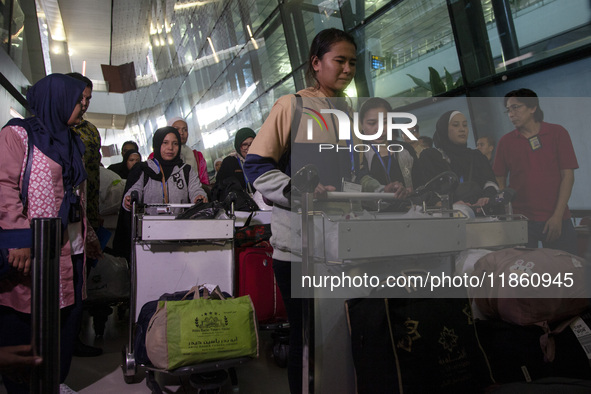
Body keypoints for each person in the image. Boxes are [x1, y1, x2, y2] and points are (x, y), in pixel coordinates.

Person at [243, 28, 363, 394]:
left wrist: (378, 188)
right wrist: (297, 191)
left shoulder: (346, 110)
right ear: (316, 63)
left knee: (341, 334)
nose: (347, 70)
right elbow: (256, 166)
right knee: (307, 338)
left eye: (352, 63)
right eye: (339, 61)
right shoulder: (290, 106)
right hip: (298, 248)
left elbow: (350, 175)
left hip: (340, 245)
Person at [0, 73, 101, 392]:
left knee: (63, 328)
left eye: (86, 100)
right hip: (31, 251)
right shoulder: (18, 134)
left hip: (71, 251)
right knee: (26, 325)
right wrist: (17, 240)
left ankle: (52, 384)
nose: (82, 106)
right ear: (55, 99)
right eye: (76, 99)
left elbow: (76, 192)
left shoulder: (72, 140)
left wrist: (90, 235)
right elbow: (2, 185)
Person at [493, 88, 578, 254]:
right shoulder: (506, 142)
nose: (511, 114)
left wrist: (557, 216)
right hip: (521, 220)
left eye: (516, 107)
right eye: (508, 110)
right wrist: (507, 212)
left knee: (566, 272)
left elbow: (568, 176)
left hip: (557, 216)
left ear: (533, 108)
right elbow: (499, 177)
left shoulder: (557, 133)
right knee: (523, 274)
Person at [420, 110, 498, 206]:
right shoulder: (432, 157)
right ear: (444, 129)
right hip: (446, 216)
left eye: (465, 125)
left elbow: (490, 182)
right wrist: (450, 204)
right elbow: (426, 190)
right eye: (456, 125)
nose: (462, 129)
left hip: (480, 213)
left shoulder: (476, 156)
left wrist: (486, 197)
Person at [122, 126, 207, 212]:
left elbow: (196, 189)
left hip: (180, 222)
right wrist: (129, 199)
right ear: (157, 145)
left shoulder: (186, 170)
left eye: (175, 143)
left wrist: (199, 196)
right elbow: (135, 189)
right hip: (150, 224)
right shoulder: (144, 169)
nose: (170, 147)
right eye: (165, 143)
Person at [356, 97, 420, 196]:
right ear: (361, 124)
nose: (380, 129)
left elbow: (419, 183)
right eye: (372, 123)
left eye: (385, 122)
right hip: (374, 211)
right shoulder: (359, 153)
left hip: (409, 208)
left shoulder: (405, 149)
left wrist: (412, 192)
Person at [216, 127, 257, 194]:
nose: (249, 148)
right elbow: (218, 189)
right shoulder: (229, 163)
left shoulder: (262, 159)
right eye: (244, 145)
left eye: (252, 143)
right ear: (238, 146)